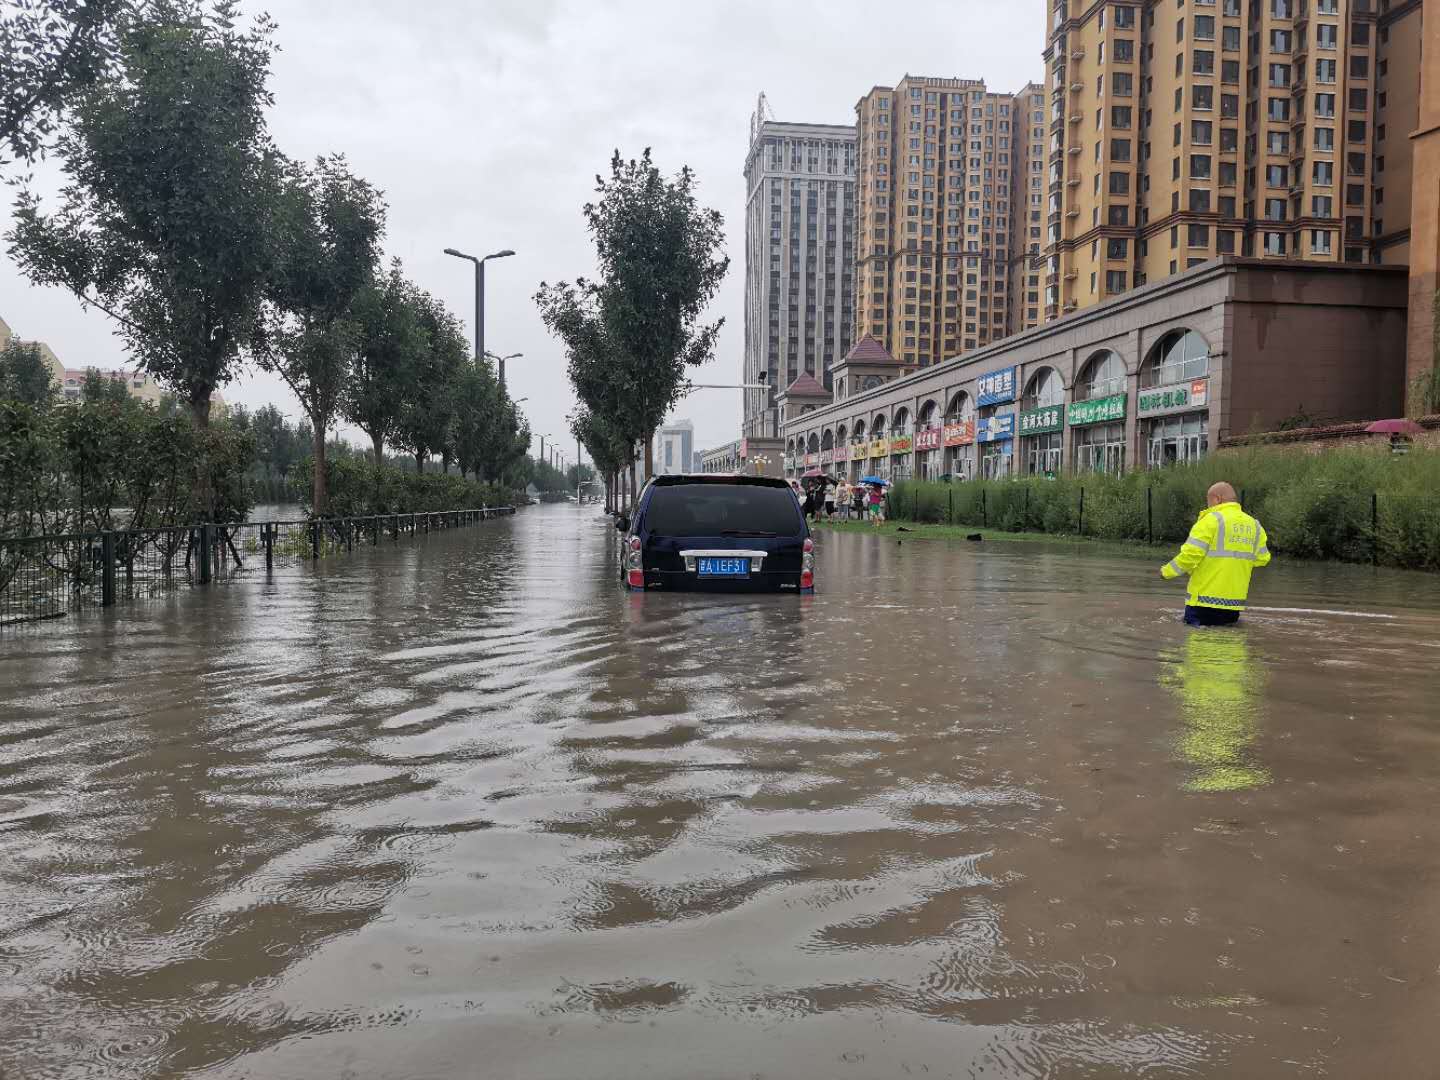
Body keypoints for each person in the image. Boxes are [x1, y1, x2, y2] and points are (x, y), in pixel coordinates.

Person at [1161, 481, 1271, 627]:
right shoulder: (1254, 525)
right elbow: (1262, 559)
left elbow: (1190, 555)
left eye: (1208, 501)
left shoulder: (1210, 520)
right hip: (1234, 605)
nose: (1208, 506)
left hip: (1203, 601)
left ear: (1217, 499)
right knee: (1229, 645)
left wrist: (1165, 572)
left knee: (1198, 645)